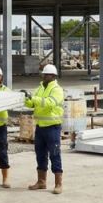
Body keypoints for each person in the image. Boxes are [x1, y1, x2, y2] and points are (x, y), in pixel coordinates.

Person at [23, 63, 64, 194]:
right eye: (44, 74)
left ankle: (58, 184)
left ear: (53, 76)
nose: (45, 76)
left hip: (52, 127)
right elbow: (32, 103)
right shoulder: (40, 88)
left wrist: (33, 98)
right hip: (40, 126)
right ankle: (41, 181)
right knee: (40, 154)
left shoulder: (57, 89)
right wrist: (25, 98)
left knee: (55, 154)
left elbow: (49, 103)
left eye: (47, 75)